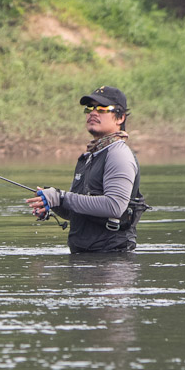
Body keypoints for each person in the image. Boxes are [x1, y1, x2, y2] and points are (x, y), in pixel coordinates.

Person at [26, 85, 148, 253]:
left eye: (102, 108)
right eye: (89, 108)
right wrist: (51, 202)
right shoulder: (89, 156)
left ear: (120, 118)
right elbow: (76, 210)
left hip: (112, 261)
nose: (93, 112)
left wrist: (61, 197)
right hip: (85, 258)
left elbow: (114, 206)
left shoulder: (118, 154)